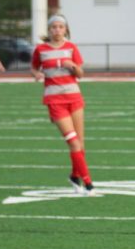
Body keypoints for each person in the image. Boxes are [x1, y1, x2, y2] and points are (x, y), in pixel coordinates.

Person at [31, 14, 95, 196]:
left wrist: (73, 66)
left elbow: (81, 74)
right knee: (74, 143)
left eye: (60, 27)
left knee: (80, 144)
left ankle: (75, 176)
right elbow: (34, 67)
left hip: (74, 98)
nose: (57, 30)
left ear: (65, 29)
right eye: (53, 27)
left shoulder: (71, 47)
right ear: (49, 30)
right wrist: (36, 74)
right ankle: (89, 183)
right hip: (55, 101)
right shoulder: (41, 49)